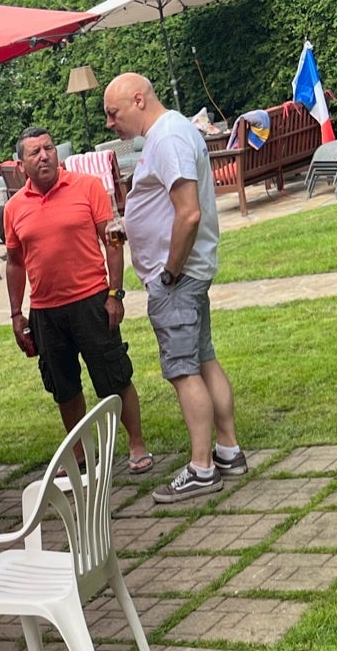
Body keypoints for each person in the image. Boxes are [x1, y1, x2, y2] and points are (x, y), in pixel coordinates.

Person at [102, 72, 247, 503]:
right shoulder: (168, 134)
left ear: (139, 99)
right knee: (204, 360)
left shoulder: (167, 138)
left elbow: (188, 215)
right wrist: (132, 226)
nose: (110, 123)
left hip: (178, 279)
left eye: (114, 113)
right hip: (186, 275)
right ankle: (228, 450)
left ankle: (202, 468)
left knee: (184, 371)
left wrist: (169, 270)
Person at [3, 125, 154, 475]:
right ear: (21, 165)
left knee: (114, 377)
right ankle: (82, 454)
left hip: (91, 301)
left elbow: (113, 241)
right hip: (45, 312)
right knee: (63, 386)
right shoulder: (13, 208)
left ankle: (136, 444)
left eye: (49, 148)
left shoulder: (86, 187)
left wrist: (115, 293)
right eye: (35, 152)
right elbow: (14, 262)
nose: (44, 155)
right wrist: (16, 313)